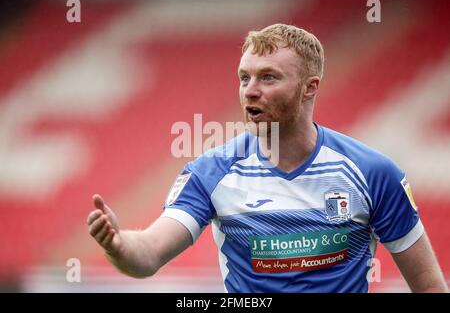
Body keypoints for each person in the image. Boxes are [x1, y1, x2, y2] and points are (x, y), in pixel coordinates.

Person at [87, 24, 448, 293]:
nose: (251, 90)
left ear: (310, 87)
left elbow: (429, 286)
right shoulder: (211, 172)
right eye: (245, 78)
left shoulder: (373, 173)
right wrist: (119, 246)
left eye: (268, 77)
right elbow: (149, 253)